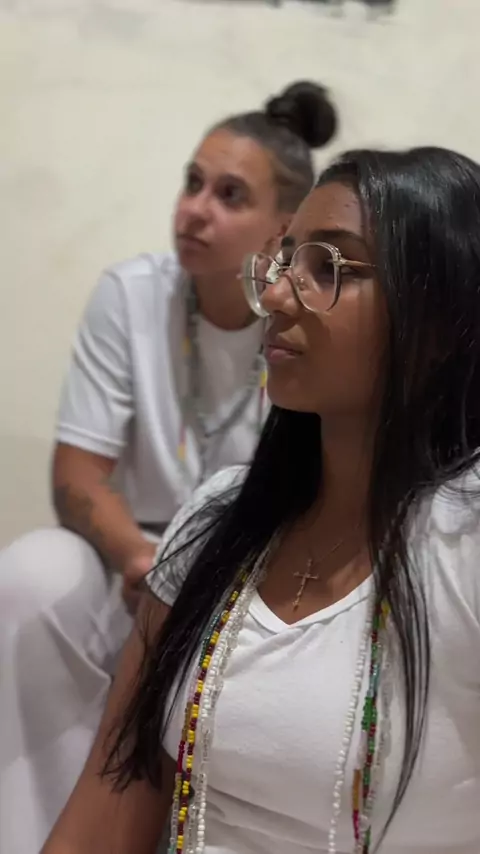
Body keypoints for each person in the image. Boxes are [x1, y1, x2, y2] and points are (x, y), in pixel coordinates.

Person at [42, 144, 480, 854]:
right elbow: (107, 807)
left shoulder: (462, 546)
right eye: (283, 263)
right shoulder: (217, 521)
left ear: (442, 315)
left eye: (328, 268)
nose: (275, 297)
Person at [0, 81, 338, 854]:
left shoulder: (311, 320)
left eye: (229, 194)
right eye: (192, 183)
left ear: (285, 228)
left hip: (255, 578)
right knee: (34, 571)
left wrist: (202, 581)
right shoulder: (132, 294)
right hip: (138, 561)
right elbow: (78, 474)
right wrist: (140, 559)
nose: (194, 210)